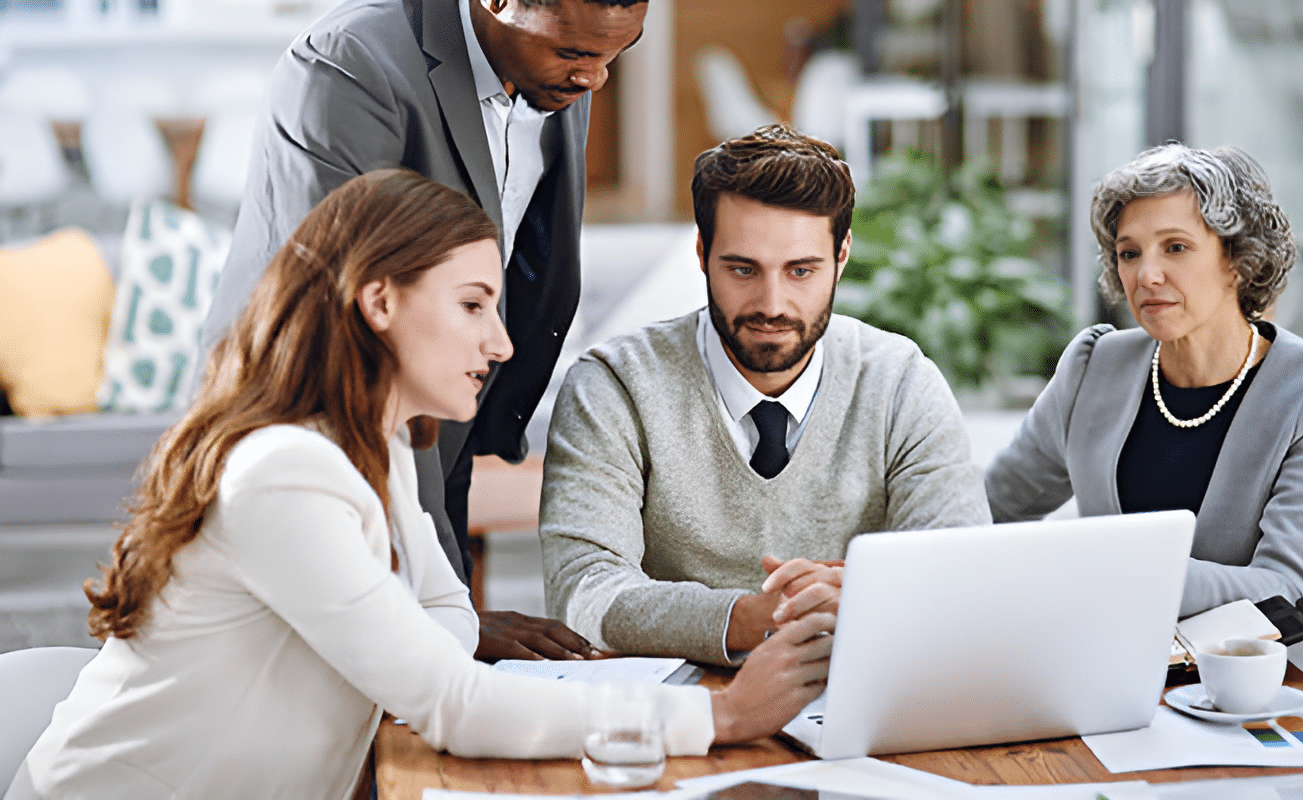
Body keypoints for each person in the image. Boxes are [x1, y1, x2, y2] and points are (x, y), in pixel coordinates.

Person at [5, 171, 834, 800]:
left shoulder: (380, 443)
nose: (502, 343)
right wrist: (722, 717)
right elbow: (452, 702)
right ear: (379, 301)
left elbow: (444, 627)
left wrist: (411, 663)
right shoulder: (285, 472)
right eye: (473, 305)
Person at [199, 0, 649, 660]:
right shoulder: (349, 68)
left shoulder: (560, 67)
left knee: (430, 695)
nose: (596, 80)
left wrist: (451, 613)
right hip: (309, 431)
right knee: (318, 688)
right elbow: (352, 341)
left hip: (439, 429)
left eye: (617, 54)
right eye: (578, 55)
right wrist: (449, 620)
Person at [537, 124, 992, 666]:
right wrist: (750, 618)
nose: (772, 303)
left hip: (855, 700)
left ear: (842, 256)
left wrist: (856, 595)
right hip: (682, 715)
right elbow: (584, 595)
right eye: (742, 269)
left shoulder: (901, 384)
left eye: (801, 271)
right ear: (702, 252)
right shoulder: (614, 386)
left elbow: (960, 578)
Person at [983, 144, 1303, 703]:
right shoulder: (1094, 367)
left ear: (1238, 259)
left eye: (1176, 247)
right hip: (1123, 683)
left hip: (1277, 694)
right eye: (1128, 253)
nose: (1146, 274)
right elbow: (988, 508)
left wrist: (1110, 569)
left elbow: (1283, 593)